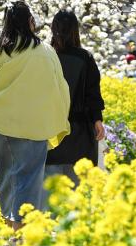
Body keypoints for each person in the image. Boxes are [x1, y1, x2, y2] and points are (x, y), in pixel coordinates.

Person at [0, 2, 70, 230]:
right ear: (30, 21)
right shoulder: (45, 51)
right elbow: (59, 86)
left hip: (1, 123)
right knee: (28, 180)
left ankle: (9, 226)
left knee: (5, 178)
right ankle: (20, 233)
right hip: (35, 125)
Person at [45, 11, 105, 186]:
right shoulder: (84, 58)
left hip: (50, 131)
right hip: (80, 133)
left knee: (50, 195)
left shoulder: (45, 57)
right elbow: (92, 93)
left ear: (53, 29)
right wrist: (97, 120)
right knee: (77, 192)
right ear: (75, 30)